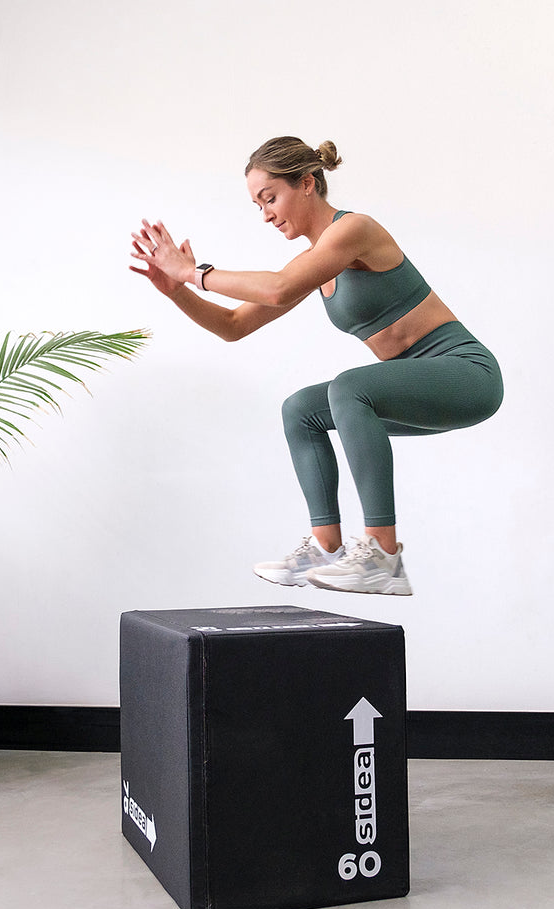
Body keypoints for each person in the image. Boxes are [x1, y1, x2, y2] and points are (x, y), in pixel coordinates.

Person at [130, 136, 503, 596]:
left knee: (349, 387)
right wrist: (177, 292)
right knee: (300, 409)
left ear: (307, 183)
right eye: (257, 205)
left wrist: (194, 272)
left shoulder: (354, 230)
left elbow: (278, 289)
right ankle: (327, 547)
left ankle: (383, 557)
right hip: (414, 386)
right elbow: (232, 326)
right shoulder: (314, 263)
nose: (265, 213)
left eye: (270, 197)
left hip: (467, 375)